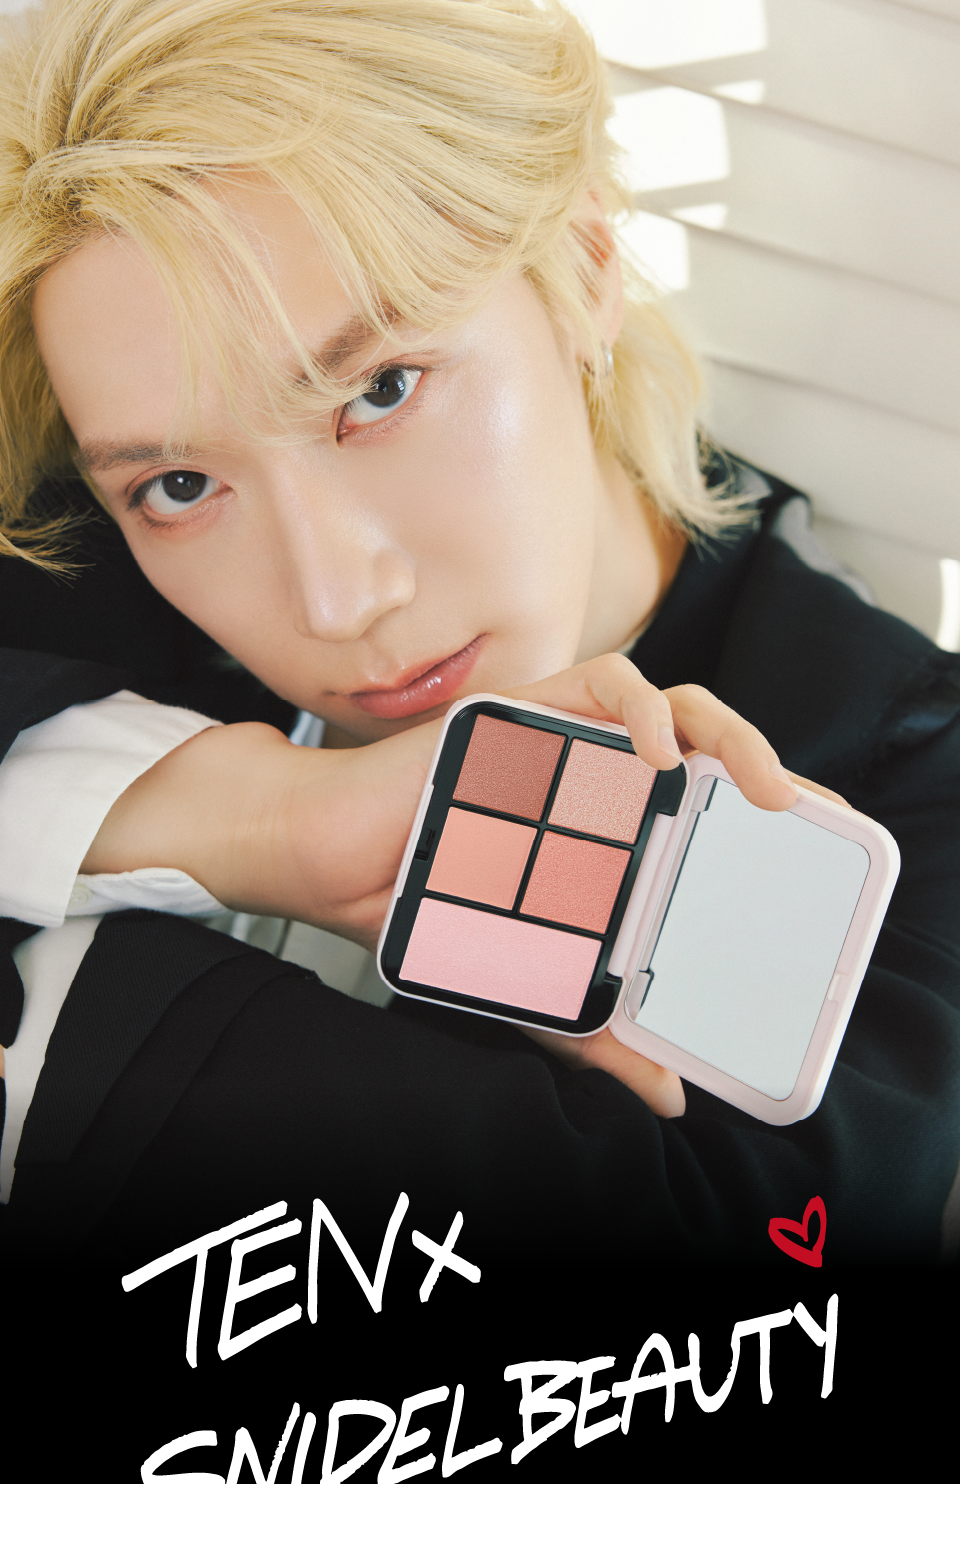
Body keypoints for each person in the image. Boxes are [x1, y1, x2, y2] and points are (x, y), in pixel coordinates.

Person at [0, 0, 958, 1269]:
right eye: (180, 486)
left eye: (379, 389)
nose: (337, 599)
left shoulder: (900, 769)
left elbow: (750, 1260)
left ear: (587, 268)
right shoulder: (72, 539)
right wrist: (262, 817)